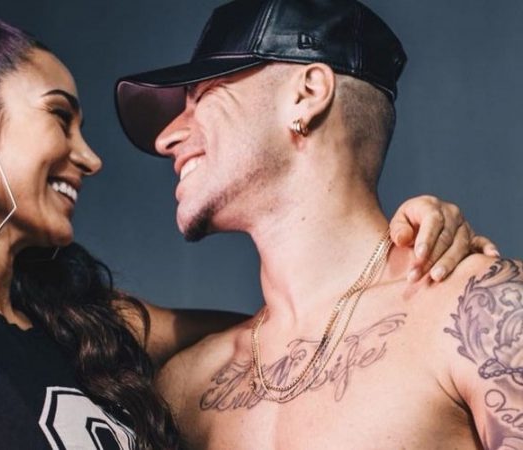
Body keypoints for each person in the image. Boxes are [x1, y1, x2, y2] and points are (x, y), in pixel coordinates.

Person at [0, 0, 489, 449]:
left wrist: (405, 249)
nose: (91, 158)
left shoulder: (74, 326)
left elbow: (297, 323)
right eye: (60, 117)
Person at [115, 0, 521, 448]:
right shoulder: (185, 391)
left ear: (306, 94)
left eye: (203, 96)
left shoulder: (476, 314)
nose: (166, 137)